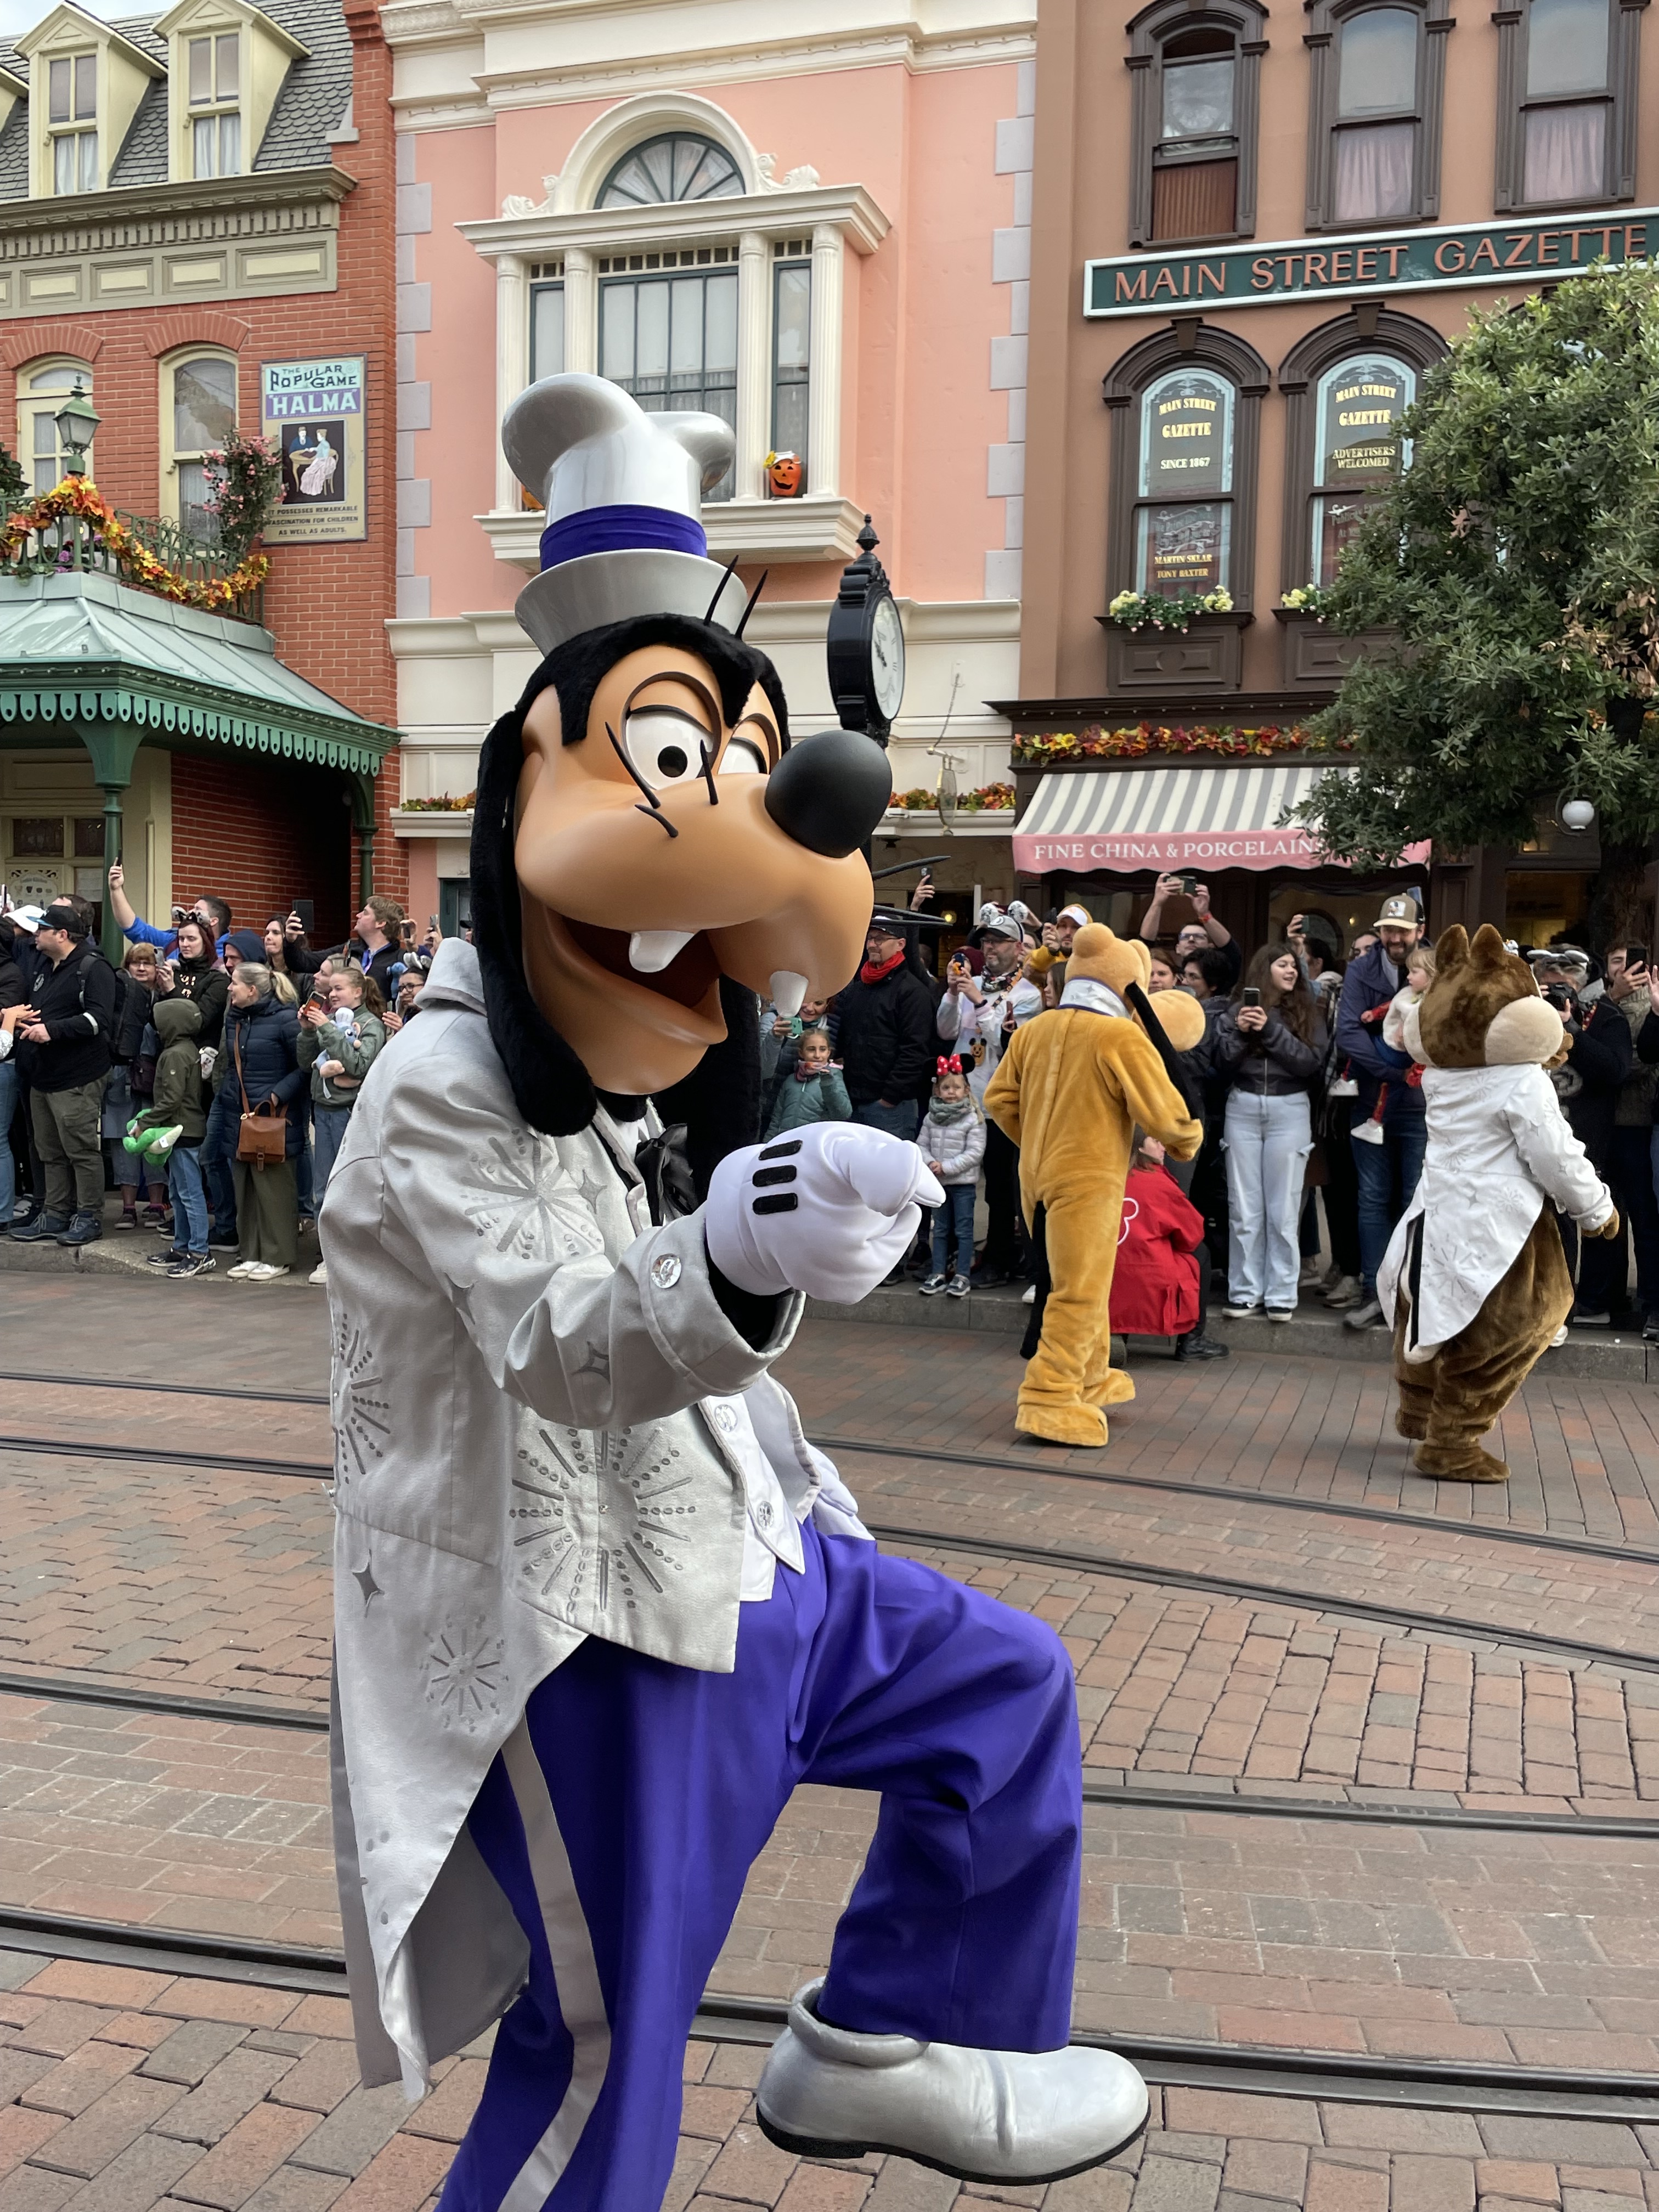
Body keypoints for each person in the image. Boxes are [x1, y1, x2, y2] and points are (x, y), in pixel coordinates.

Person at [328, 376, 1147, 2211]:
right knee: (602, 2059)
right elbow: (552, 1342)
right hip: (597, 1637)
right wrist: (737, 1244)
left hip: (769, 1559)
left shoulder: (645, 1053)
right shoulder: (440, 1083)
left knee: (1006, 1695)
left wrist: (770, 1220)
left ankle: (893, 2033)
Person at [1212, 941, 1328, 1320]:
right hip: (1242, 1106)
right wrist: (1243, 1034)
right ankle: (1245, 1292)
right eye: (1283, 965)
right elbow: (1222, 1066)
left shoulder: (1309, 1014)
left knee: (1283, 1209)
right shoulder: (1235, 1011)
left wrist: (1271, 1029)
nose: (1292, 971)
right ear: (1265, 970)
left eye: (1294, 965)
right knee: (1243, 1208)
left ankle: (1281, 1294)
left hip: (1289, 1108)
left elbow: (1309, 1064)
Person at [1334, 893, 1426, 1329]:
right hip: (1371, 1098)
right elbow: (1347, 1035)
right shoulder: (1361, 969)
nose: (1394, 938)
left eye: (1402, 931)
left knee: (1415, 1199)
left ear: (1419, 932)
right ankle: (1374, 1292)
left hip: (1422, 1106)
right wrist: (1392, 1069)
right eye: (1388, 930)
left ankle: (1410, 1296)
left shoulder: (1439, 967)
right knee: (1371, 1199)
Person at [936, 913, 1041, 1284]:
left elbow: (1007, 1044)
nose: (990, 948)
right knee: (957, 1182)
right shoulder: (971, 984)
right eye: (985, 941)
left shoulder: (1029, 993)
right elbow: (946, 1030)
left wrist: (979, 1001)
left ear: (1017, 947)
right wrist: (952, 993)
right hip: (963, 1101)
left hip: (1000, 1106)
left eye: (998, 941)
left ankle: (1000, 1257)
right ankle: (951, 1254)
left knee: (999, 1188)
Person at [1530, 945, 1632, 1315]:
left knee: (1598, 1219)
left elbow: (1615, 1071)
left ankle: (1596, 1300)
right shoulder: (1526, 1014)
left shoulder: (1605, 1016)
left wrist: (1571, 1030)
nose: (1558, 992)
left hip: (1591, 1137)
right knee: (1547, 1228)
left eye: (1566, 984)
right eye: (1550, 984)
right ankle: (1551, 1304)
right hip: (1539, 1137)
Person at [11, 901, 116, 1246]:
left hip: (78, 1076)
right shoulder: (44, 966)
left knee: (82, 1151)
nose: (35, 935)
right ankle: (55, 1214)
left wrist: (52, 1030)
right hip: (43, 1075)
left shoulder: (93, 967)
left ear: (62, 934)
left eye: (42, 930)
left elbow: (99, 1020)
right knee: (49, 1151)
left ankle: (88, 1217)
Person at [298, 965, 387, 1285]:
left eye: (339, 989)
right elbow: (303, 1062)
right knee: (323, 1188)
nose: (331, 995)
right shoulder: (330, 1021)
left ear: (359, 992)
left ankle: (354, 1258)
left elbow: (358, 1065)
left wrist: (328, 1030)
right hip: (322, 1111)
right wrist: (309, 1031)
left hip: (349, 1114)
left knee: (352, 1186)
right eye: (330, 990)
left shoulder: (370, 1025)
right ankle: (327, 1256)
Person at [1585, 949, 1659, 1337]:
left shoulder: (1654, 1005)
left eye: (1631, 962)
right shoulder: (1597, 1002)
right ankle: (1603, 1297)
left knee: (1645, 1219)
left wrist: (1603, 1062)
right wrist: (1610, 997)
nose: (1624, 969)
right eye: (1616, 962)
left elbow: (1635, 1062)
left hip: (1640, 1122)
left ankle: (1651, 1301)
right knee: (1603, 1215)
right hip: (1604, 1124)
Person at [219, 960, 304, 1281]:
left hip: (275, 1117)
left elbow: (304, 1065)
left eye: (234, 983)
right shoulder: (234, 1019)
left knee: (275, 1190)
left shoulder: (286, 1020)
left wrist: (277, 1096)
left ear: (252, 989)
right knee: (246, 1187)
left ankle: (277, 1255)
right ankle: (251, 1252)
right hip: (239, 1114)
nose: (230, 988)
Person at [1109, 1132, 1227, 1361]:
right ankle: (1192, 1341)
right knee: (1200, 1253)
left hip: (1106, 1276)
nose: (1164, 1147)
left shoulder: (1105, 1178)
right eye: (1156, 1141)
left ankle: (1116, 1333)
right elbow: (1192, 1236)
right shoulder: (1159, 1183)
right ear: (1140, 1148)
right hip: (1149, 1278)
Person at [835, 909, 938, 1141]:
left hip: (891, 1107)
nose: (872, 944)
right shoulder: (858, 986)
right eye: (870, 938)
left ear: (901, 944)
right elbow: (844, 1035)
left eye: (880, 939)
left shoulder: (912, 992)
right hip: (853, 1101)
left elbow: (915, 1050)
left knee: (889, 1174)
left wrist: (890, 1097)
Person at [134, 997, 212, 1277]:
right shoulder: (185, 1049)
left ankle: (200, 1252)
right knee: (179, 1194)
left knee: (190, 1195)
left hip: (183, 1131)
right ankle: (182, 1246)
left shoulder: (175, 1055)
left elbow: (171, 1099)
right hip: (180, 1130)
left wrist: (145, 1121)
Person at [104, 940, 170, 1232]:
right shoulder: (117, 995)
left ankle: (156, 1205)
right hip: (120, 1076)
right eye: (135, 963)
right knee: (121, 1138)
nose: (141, 968)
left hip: (154, 1078)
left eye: (148, 963)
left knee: (152, 1136)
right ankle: (128, 1208)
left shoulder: (165, 998)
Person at [918, 1054, 985, 1296]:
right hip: (939, 1184)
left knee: (964, 1230)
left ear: (966, 1090)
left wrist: (946, 1166)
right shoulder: (931, 1117)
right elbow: (921, 1145)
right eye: (946, 1087)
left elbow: (975, 1152)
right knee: (942, 1229)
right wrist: (931, 1163)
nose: (951, 1092)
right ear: (937, 1090)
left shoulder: (973, 1118)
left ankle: (962, 1275)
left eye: (957, 1087)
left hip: (963, 1185)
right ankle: (937, 1273)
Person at [1138, 873, 1241, 989]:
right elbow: (1143, 948)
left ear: (1211, 946)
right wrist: (1157, 904)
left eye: (1199, 937)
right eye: (1185, 937)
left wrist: (1205, 915)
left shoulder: (1218, 977)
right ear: (1177, 948)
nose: (1191, 940)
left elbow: (1231, 951)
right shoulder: (1167, 974)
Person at [106, 865, 231, 957]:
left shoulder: (229, 955)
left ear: (213, 921)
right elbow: (136, 930)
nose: (190, 912)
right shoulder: (173, 941)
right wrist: (116, 890)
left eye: (197, 909)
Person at [763, 1024, 851, 1139]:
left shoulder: (834, 1077)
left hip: (812, 1145)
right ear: (801, 1053)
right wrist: (766, 1145)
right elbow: (776, 1119)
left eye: (823, 1049)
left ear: (829, 1052)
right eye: (811, 1049)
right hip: (785, 1143)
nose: (817, 1055)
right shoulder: (791, 1080)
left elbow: (843, 1114)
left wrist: (828, 1083)